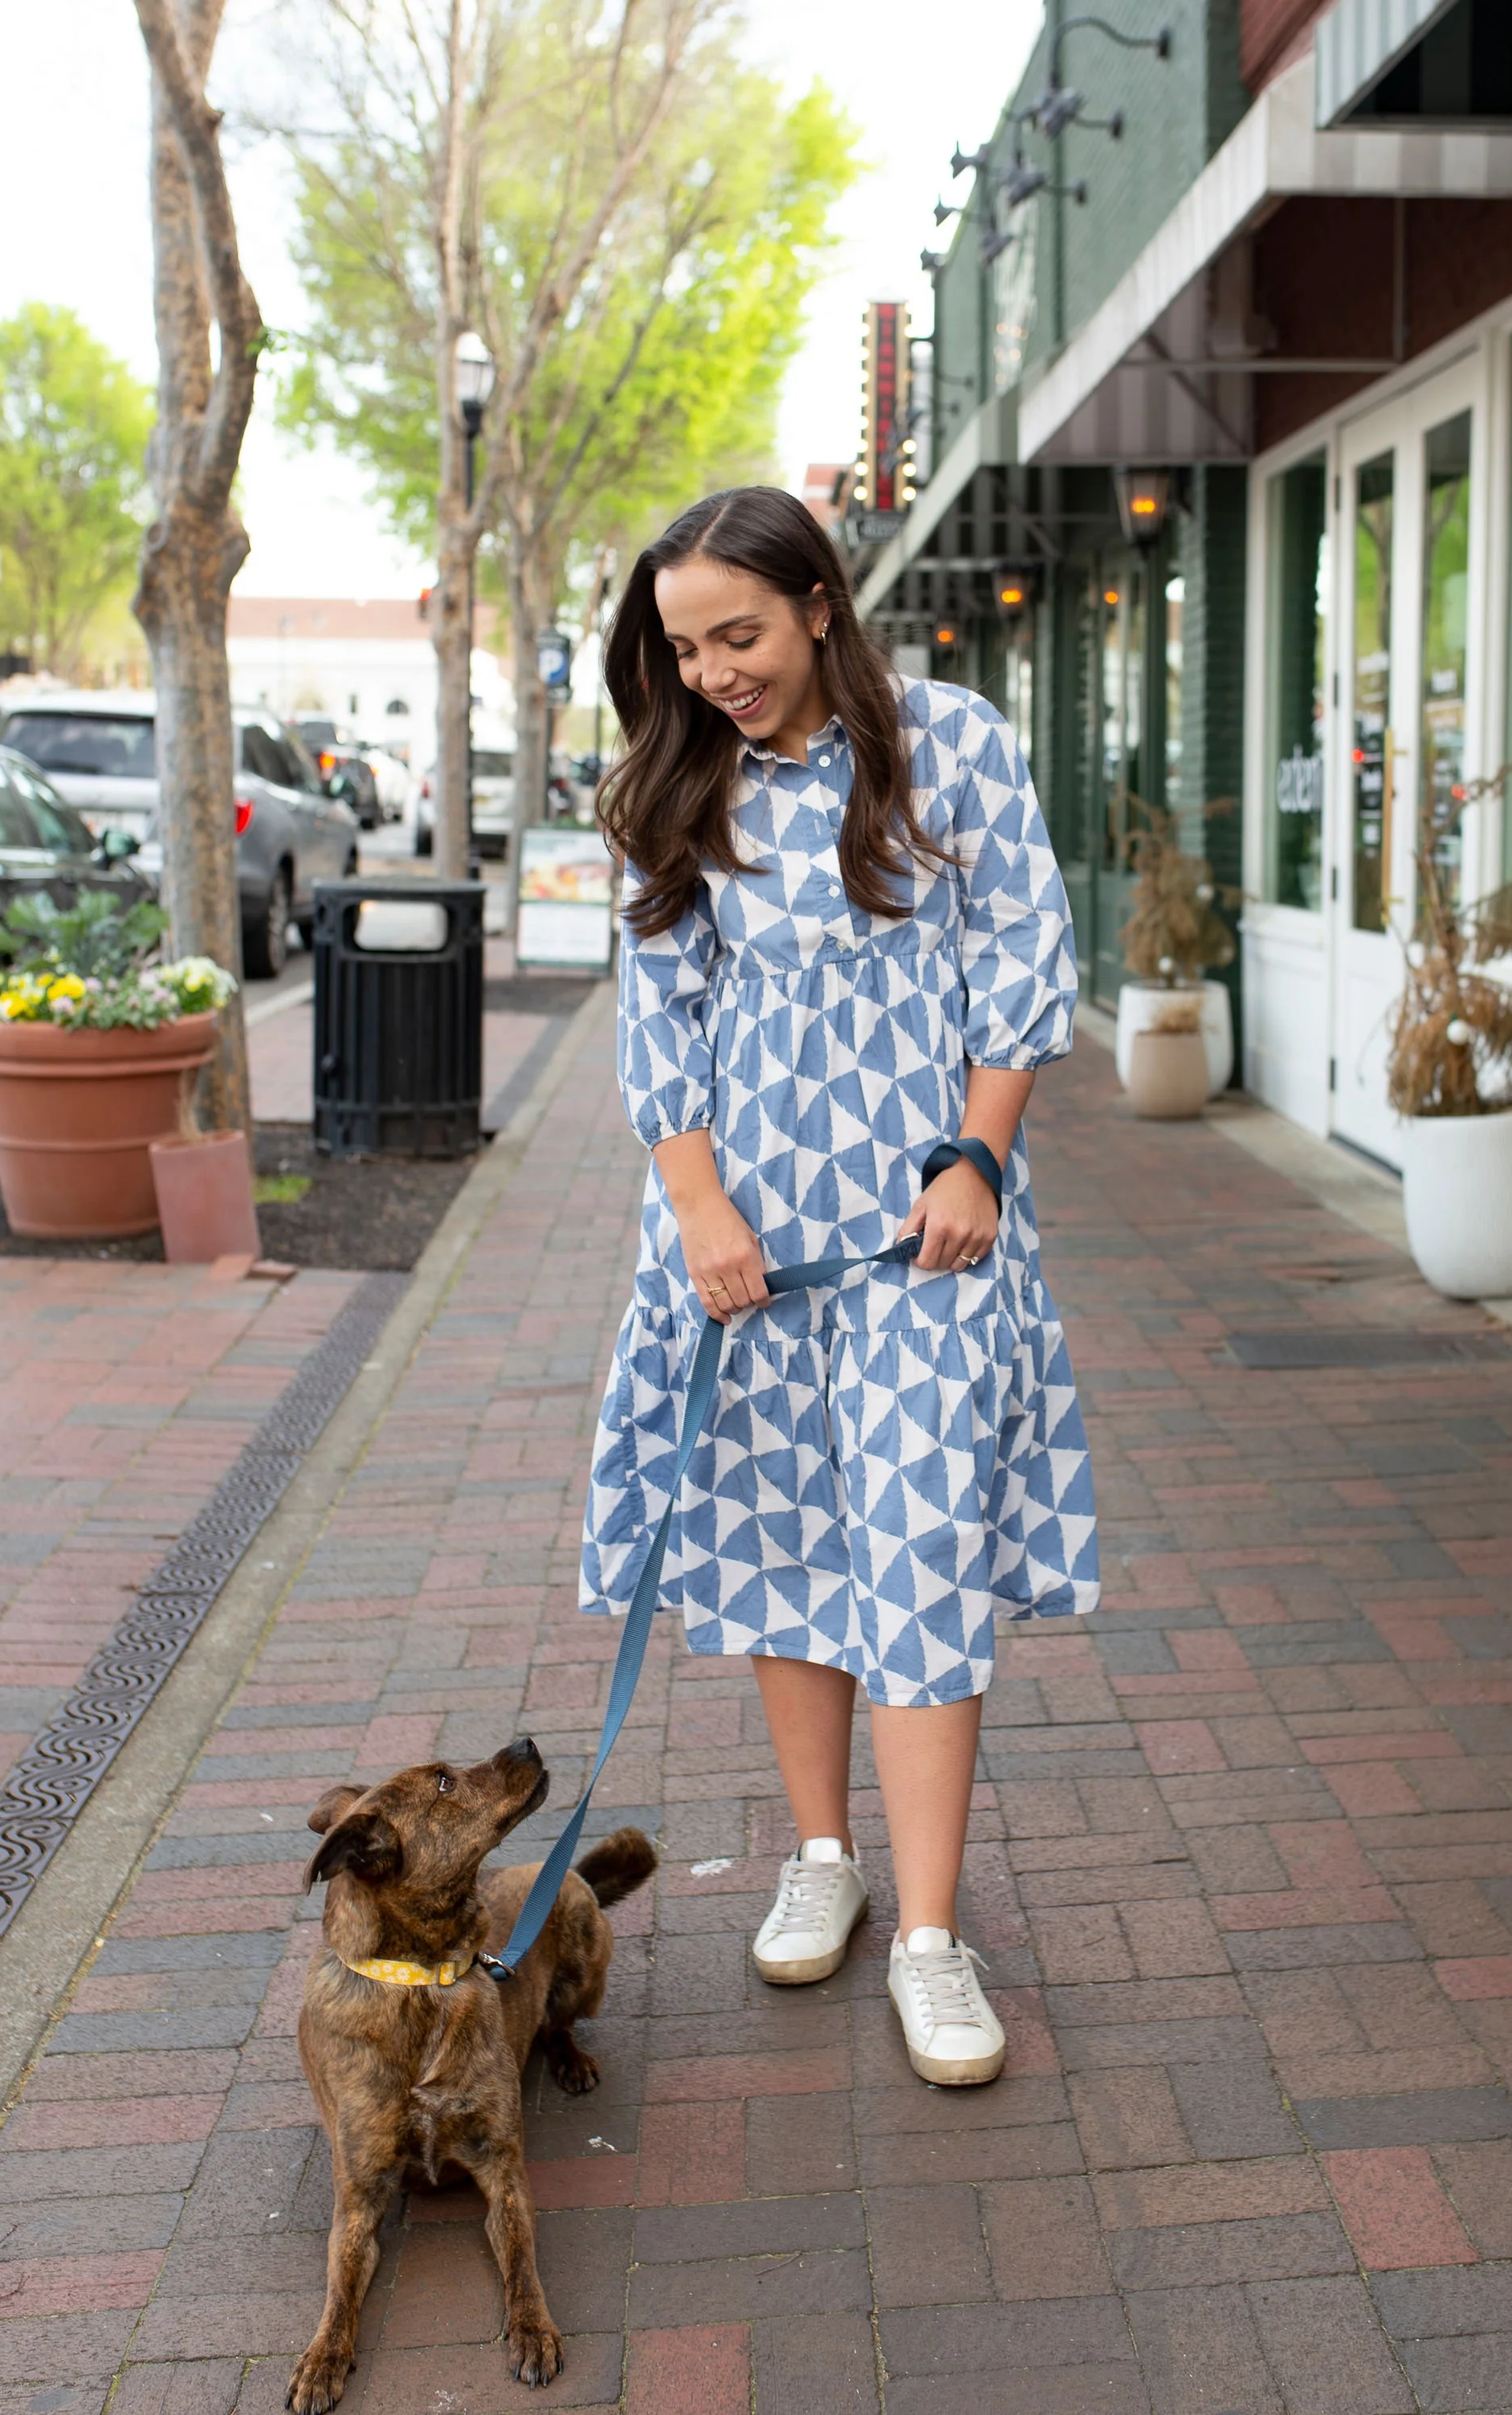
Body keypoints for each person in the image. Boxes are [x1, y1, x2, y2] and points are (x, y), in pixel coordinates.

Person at [581, 487, 1098, 2085]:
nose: (712, 669)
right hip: (741, 1251)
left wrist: (979, 1159)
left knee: (920, 1549)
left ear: (818, 604)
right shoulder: (680, 777)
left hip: (921, 1246)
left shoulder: (949, 743)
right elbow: (657, 1008)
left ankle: (933, 1938)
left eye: (736, 634)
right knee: (780, 1536)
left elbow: (1021, 956)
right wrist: (698, 1215)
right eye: (683, 645)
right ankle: (824, 1854)